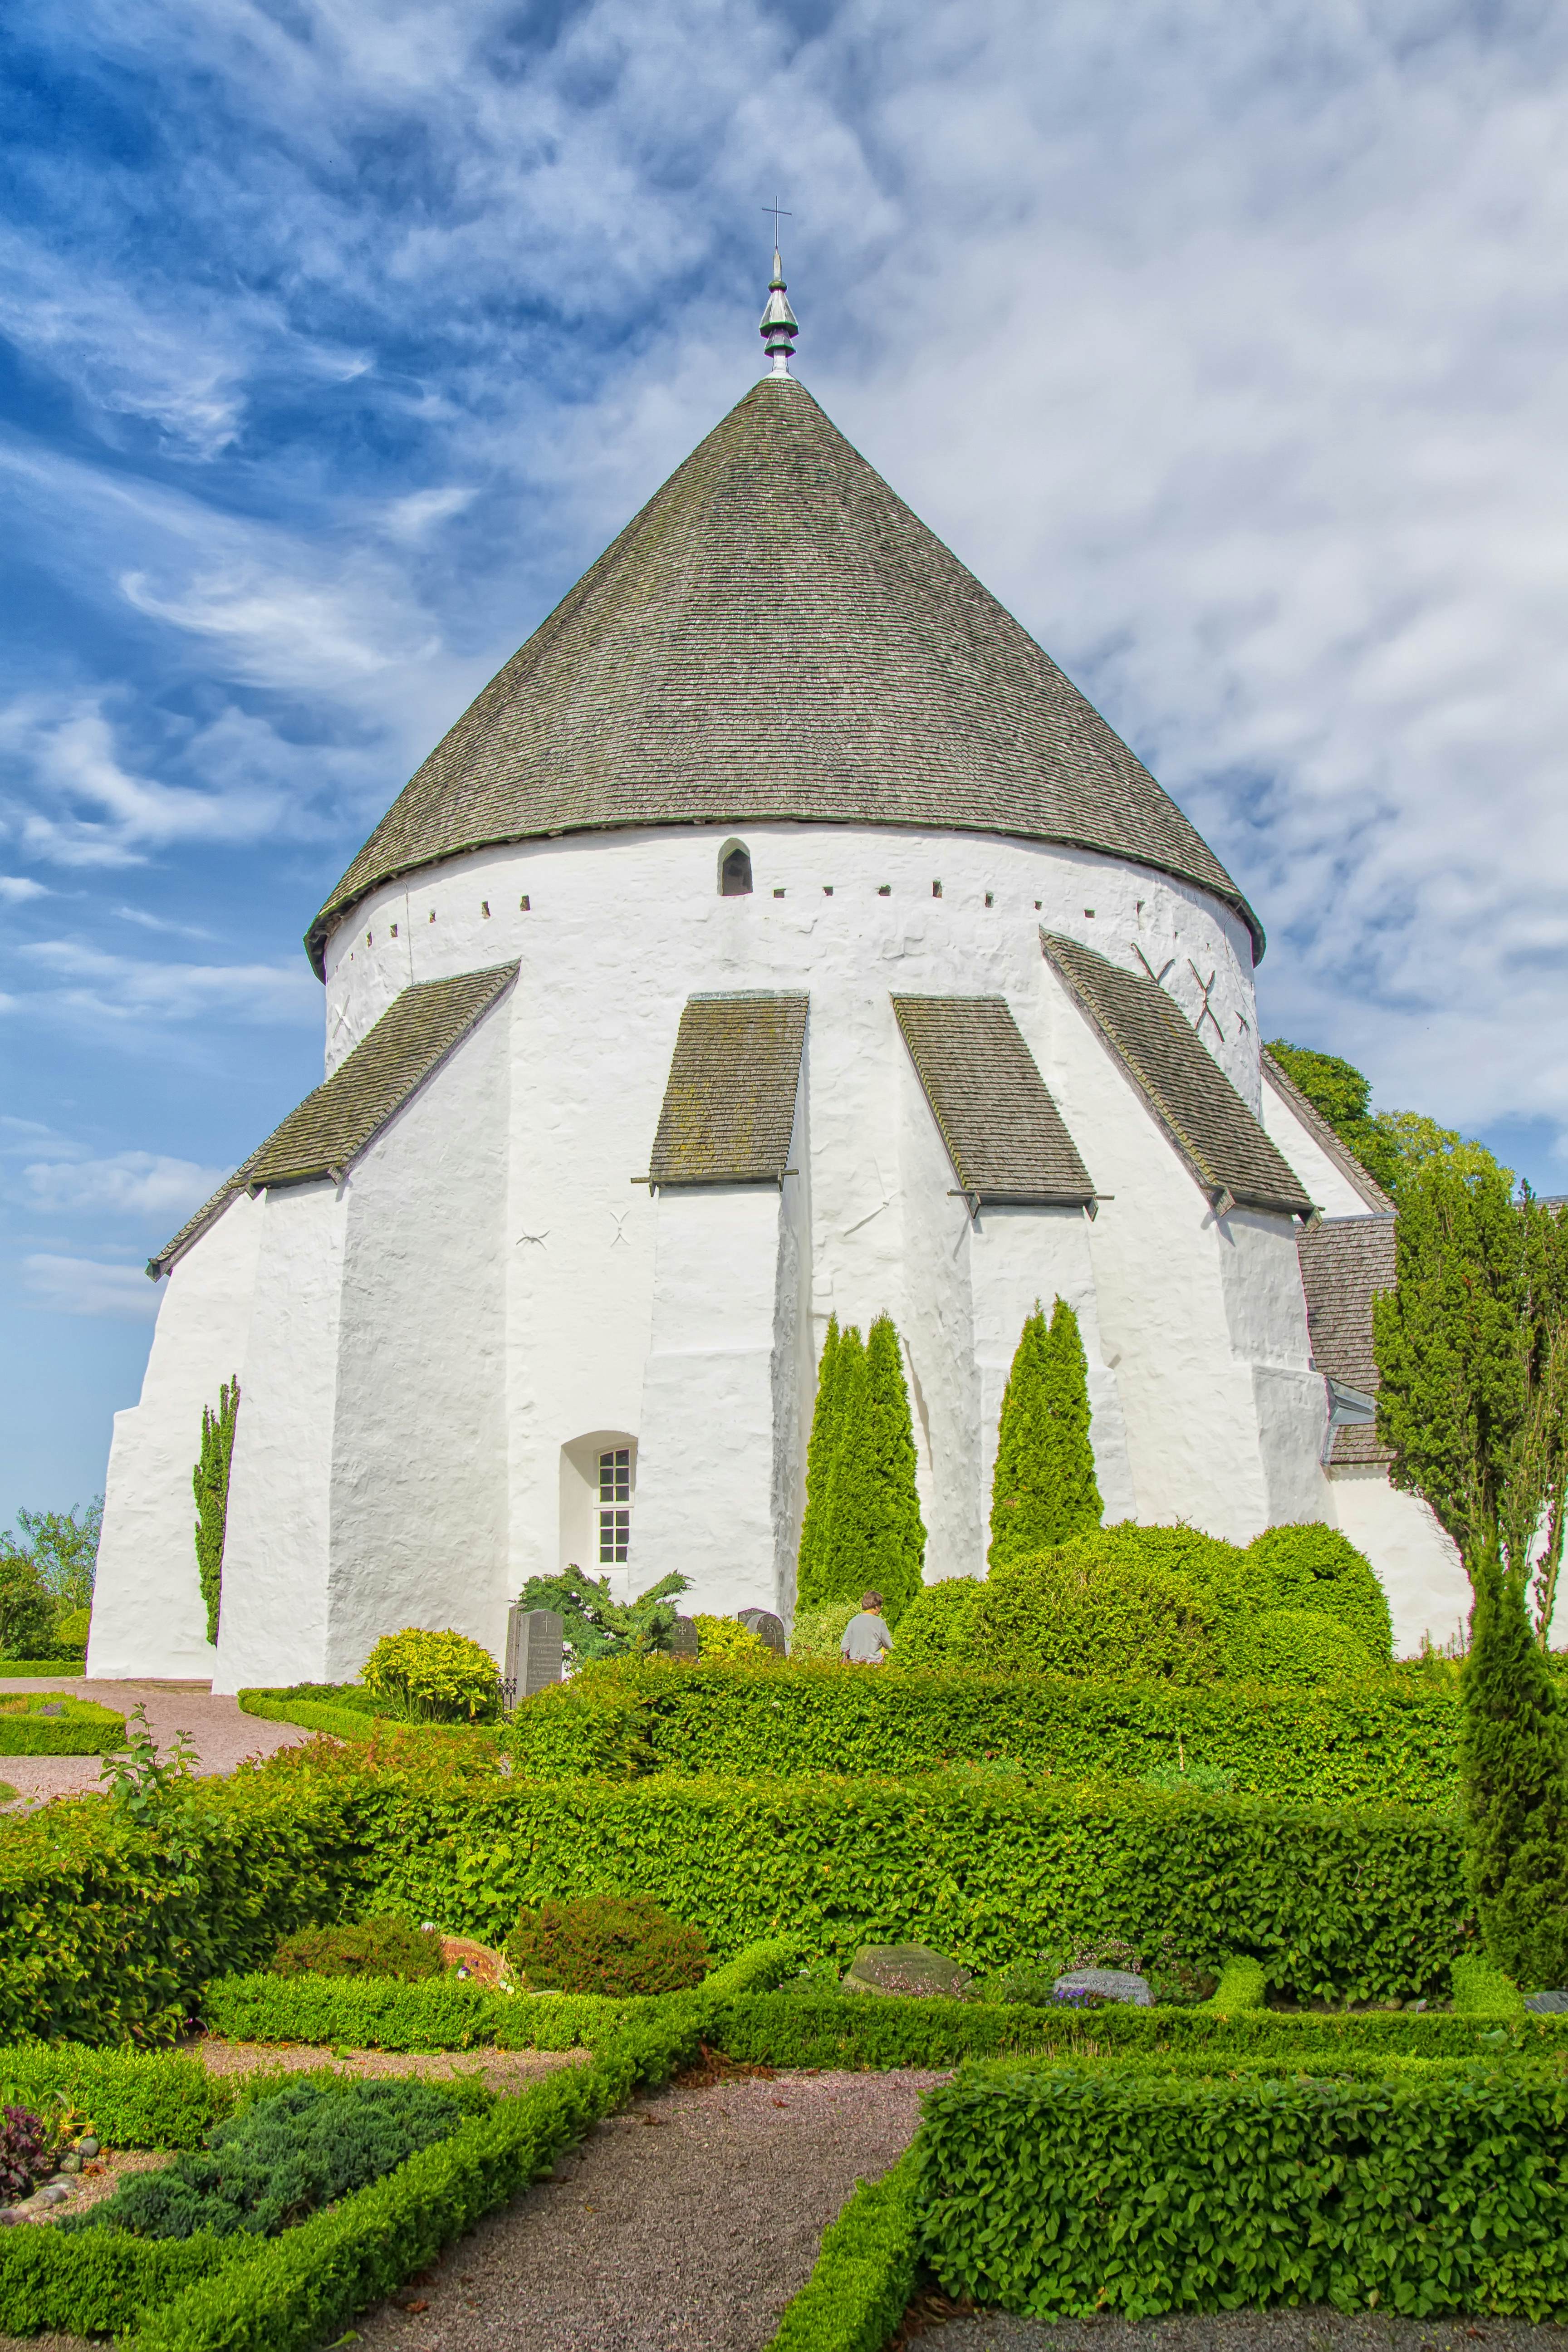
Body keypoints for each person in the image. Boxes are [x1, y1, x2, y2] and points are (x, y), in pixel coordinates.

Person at [840, 1591, 894, 1665]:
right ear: (876, 1607)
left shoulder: (853, 1621)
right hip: (873, 1667)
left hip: (854, 1667)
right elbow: (890, 1645)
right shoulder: (880, 1623)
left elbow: (844, 1647)